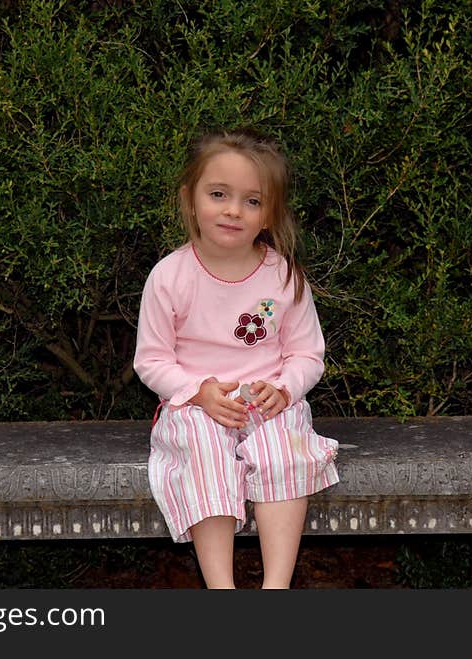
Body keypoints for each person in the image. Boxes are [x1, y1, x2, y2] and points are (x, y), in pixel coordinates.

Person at [133, 127, 339, 589]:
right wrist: (196, 393)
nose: (232, 210)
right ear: (190, 199)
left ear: (269, 214)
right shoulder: (170, 276)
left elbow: (308, 353)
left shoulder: (283, 277)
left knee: (285, 451)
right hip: (197, 406)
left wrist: (285, 389)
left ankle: (276, 585)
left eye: (252, 200)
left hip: (268, 404)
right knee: (204, 453)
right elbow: (151, 360)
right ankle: (221, 587)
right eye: (218, 194)